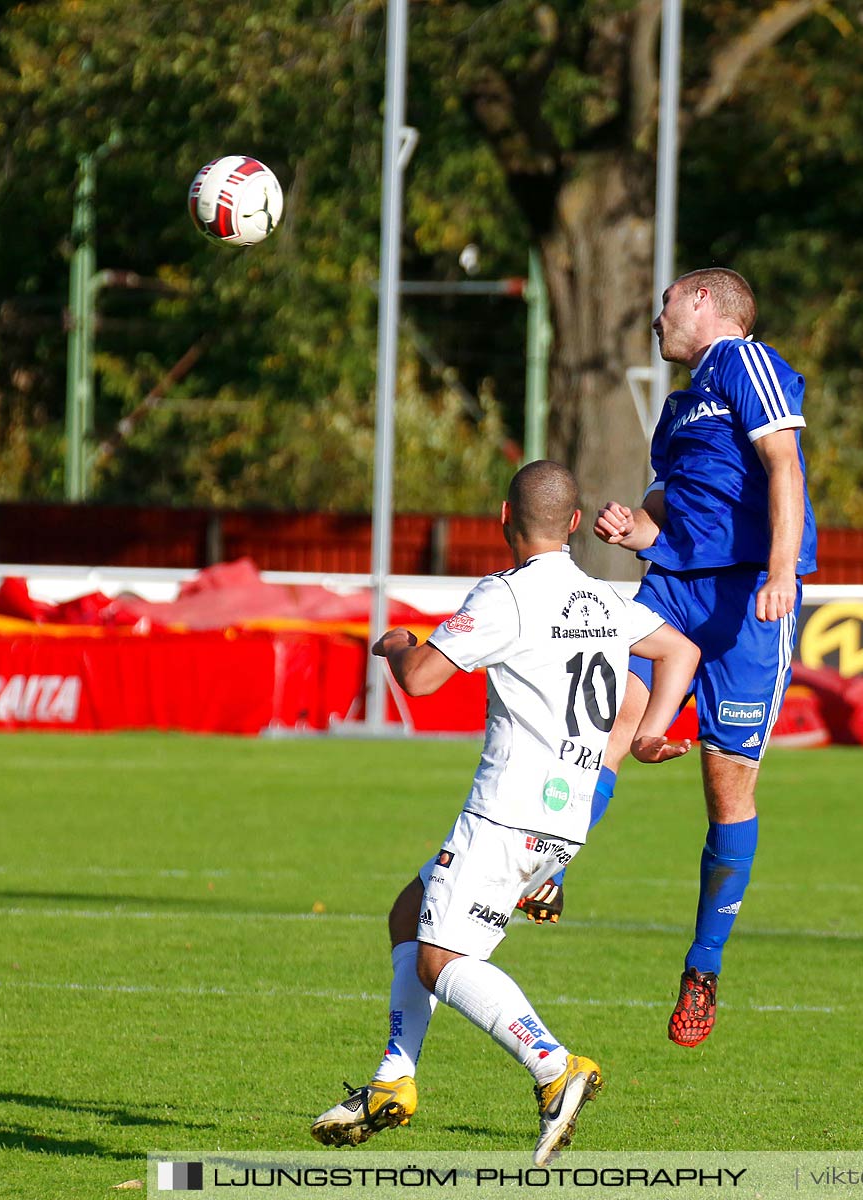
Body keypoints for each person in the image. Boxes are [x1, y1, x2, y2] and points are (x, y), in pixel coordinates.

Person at [310, 461, 700, 1164]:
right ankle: (392, 1081)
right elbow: (680, 647)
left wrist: (399, 644)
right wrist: (646, 733)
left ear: (501, 519)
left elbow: (422, 680)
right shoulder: (601, 599)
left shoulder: (506, 596)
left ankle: (555, 1068)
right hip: (568, 816)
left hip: (506, 810)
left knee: (439, 959)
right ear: (575, 525)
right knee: (411, 909)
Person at [580, 265, 817, 1048]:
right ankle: (544, 869)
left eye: (667, 303)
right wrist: (633, 529)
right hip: (675, 590)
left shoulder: (745, 362)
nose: (657, 318)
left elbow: (784, 464)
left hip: (749, 602)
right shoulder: (679, 408)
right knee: (607, 711)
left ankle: (703, 967)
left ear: (706, 304)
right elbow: (667, 514)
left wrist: (782, 572)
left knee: (726, 785)